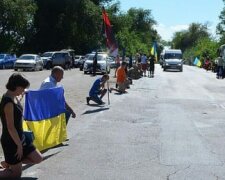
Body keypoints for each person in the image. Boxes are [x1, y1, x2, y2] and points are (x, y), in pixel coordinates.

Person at [0, 73, 42, 178]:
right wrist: (19, 145)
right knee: (16, 175)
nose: (23, 91)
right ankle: (11, 164)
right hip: (11, 140)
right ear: (17, 86)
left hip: (21, 137)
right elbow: (10, 127)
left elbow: (19, 104)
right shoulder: (8, 102)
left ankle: (10, 162)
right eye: (23, 88)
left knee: (38, 158)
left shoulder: (14, 96)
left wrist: (23, 94)